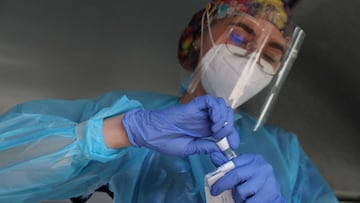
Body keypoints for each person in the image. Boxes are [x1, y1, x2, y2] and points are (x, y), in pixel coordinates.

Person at [0, 0, 339, 203]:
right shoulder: (125, 112)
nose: (253, 59)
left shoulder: (285, 152)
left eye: (271, 54)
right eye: (240, 35)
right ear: (199, 34)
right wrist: (120, 132)